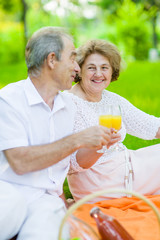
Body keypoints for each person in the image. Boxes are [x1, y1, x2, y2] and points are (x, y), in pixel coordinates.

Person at [0, 29, 120, 240]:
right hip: (8, 191)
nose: (77, 68)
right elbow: (19, 162)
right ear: (52, 60)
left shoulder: (67, 107)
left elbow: (55, 175)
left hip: (45, 201)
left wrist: (65, 205)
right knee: (12, 209)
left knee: (50, 229)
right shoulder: (9, 100)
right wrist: (77, 139)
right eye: (73, 58)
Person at [67, 39, 160, 203]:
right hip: (101, 183)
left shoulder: (110, 99)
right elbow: (72, 163)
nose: (98, 74)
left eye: (104, 68)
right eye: (91, 67)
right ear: (79, 71)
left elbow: (151, 126)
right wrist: (101, 146)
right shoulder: (69, 103)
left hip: (125, 169)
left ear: (112, 72)